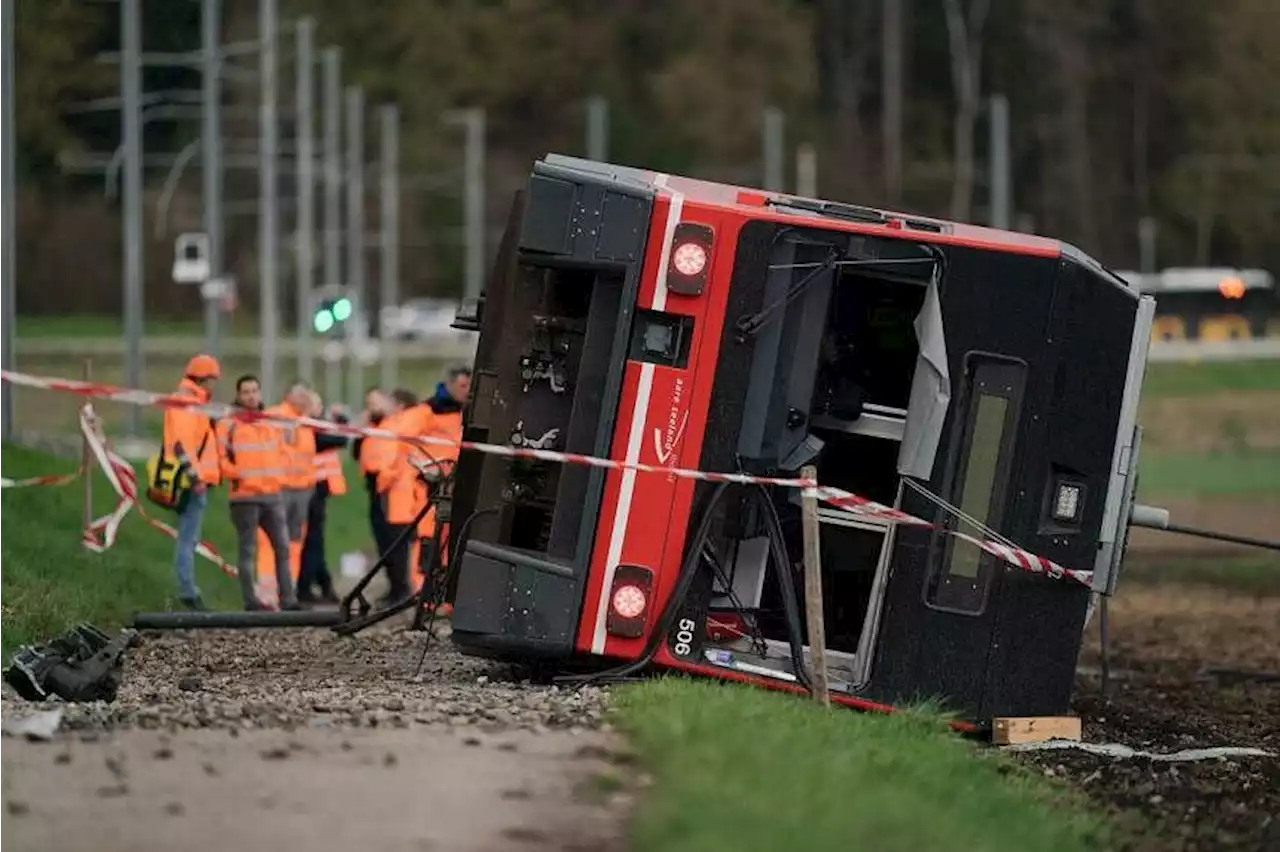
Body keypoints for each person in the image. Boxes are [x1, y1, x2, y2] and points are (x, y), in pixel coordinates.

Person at [217, 374, 298, 611]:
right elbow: (220, 458)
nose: (251, 396)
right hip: (245, 497)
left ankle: (288, 599)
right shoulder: (228, 424)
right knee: (248, 550)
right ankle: (250, 600)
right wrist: (239, 474)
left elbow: (282, 451)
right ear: (238, 395)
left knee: (282, 548)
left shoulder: (270, 422)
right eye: (246, 392)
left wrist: (280, 474)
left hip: (272, 494)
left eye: (254, 390)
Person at [162, 354, 222, 611]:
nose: (214, 385)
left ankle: (187, 588)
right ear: (202, 378)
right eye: (212, 380)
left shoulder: (194, 402)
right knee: (187, 538)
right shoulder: (187, 403)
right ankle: (187, 591)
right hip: (191, 482)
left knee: (190, 537)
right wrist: (194, 476)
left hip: (193, 480)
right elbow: (181, 443)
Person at [412, 365, 471, 611]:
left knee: (453, 540)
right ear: (449, 384)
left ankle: (447, 599)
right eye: (462, 386)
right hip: (432, 487)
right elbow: (406, 442)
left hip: (458, 484)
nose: (466, 392)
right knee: (430, 542)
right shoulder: (428, 411)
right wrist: (425, 469)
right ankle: (426, 599)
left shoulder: (467, 413)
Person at [362, 388, 421, 607]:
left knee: (396, 542)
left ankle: (402, 590)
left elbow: (393, 460)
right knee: (389, 543)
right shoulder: (383, 425)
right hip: (384, 487)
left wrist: (383, 482)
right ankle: (397, 588)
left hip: (393, 490)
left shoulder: (398, 425)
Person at [298, 391, 350, 605]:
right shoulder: (309, 427)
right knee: (312, 541)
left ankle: (322, 585)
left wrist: (340, 421)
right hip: (311, 489)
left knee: (314, 540)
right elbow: (339, 439)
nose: (321, 407)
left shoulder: (315, 425)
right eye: (318, 403)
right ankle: (307, 587)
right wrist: (341, 423)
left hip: (318, 489)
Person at [265, 382, 319, 583]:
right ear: (288, 395)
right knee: (277, 538)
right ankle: (271, 585)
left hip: (303, 488)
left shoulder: (304, 420)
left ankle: (290, 586)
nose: (305, 399)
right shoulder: (276, 416)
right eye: (301, 395)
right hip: (281, 487)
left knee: (296, 539)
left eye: (307, 395)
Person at [351, 388, 393, 560]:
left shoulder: (393, 424)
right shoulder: (368, 427)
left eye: (375, 403)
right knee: (379, 533)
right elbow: (356, 453)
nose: (371, 408)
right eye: (369, 404)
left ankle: (400, 583)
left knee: (391, 534)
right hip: (373, 484)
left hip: (390, 485)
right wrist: (359, 433)